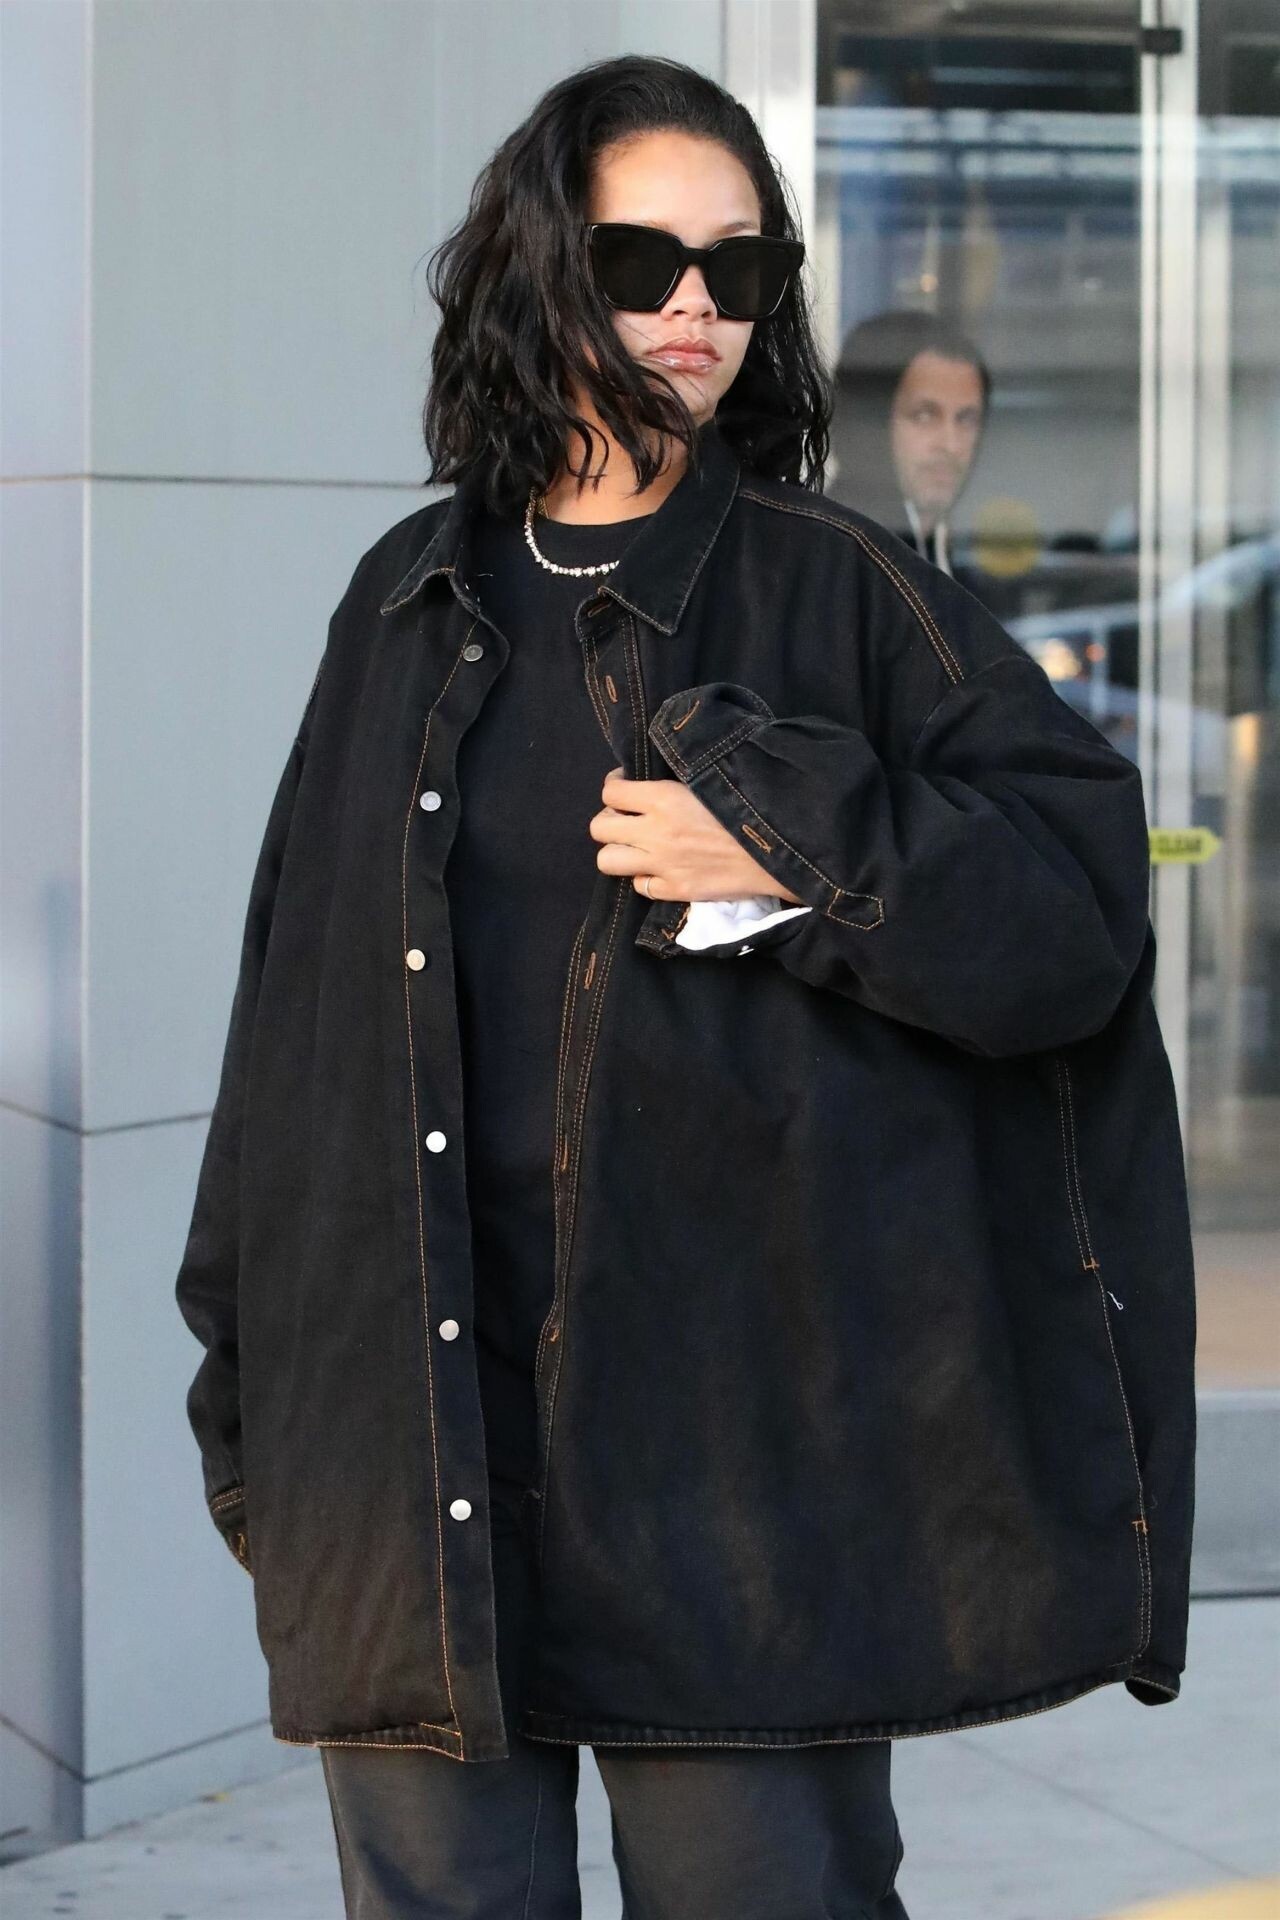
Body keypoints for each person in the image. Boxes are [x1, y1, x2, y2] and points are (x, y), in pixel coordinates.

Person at [174, 52, 1197, 1920]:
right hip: (411, 1454)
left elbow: (1073, 923)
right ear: (538, 266)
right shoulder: (401, 596)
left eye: (742, 266)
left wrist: (798, 854)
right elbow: (290, 1012)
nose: (695, 307)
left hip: (738, 1482)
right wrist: (247, 1400)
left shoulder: (844, 593)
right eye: (643, 258)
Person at [828, 307, 991, 579]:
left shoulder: (964, 563)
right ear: (872, 425)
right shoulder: (835, 558)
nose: (950, 445)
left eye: (965, 419)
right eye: (924, 416)